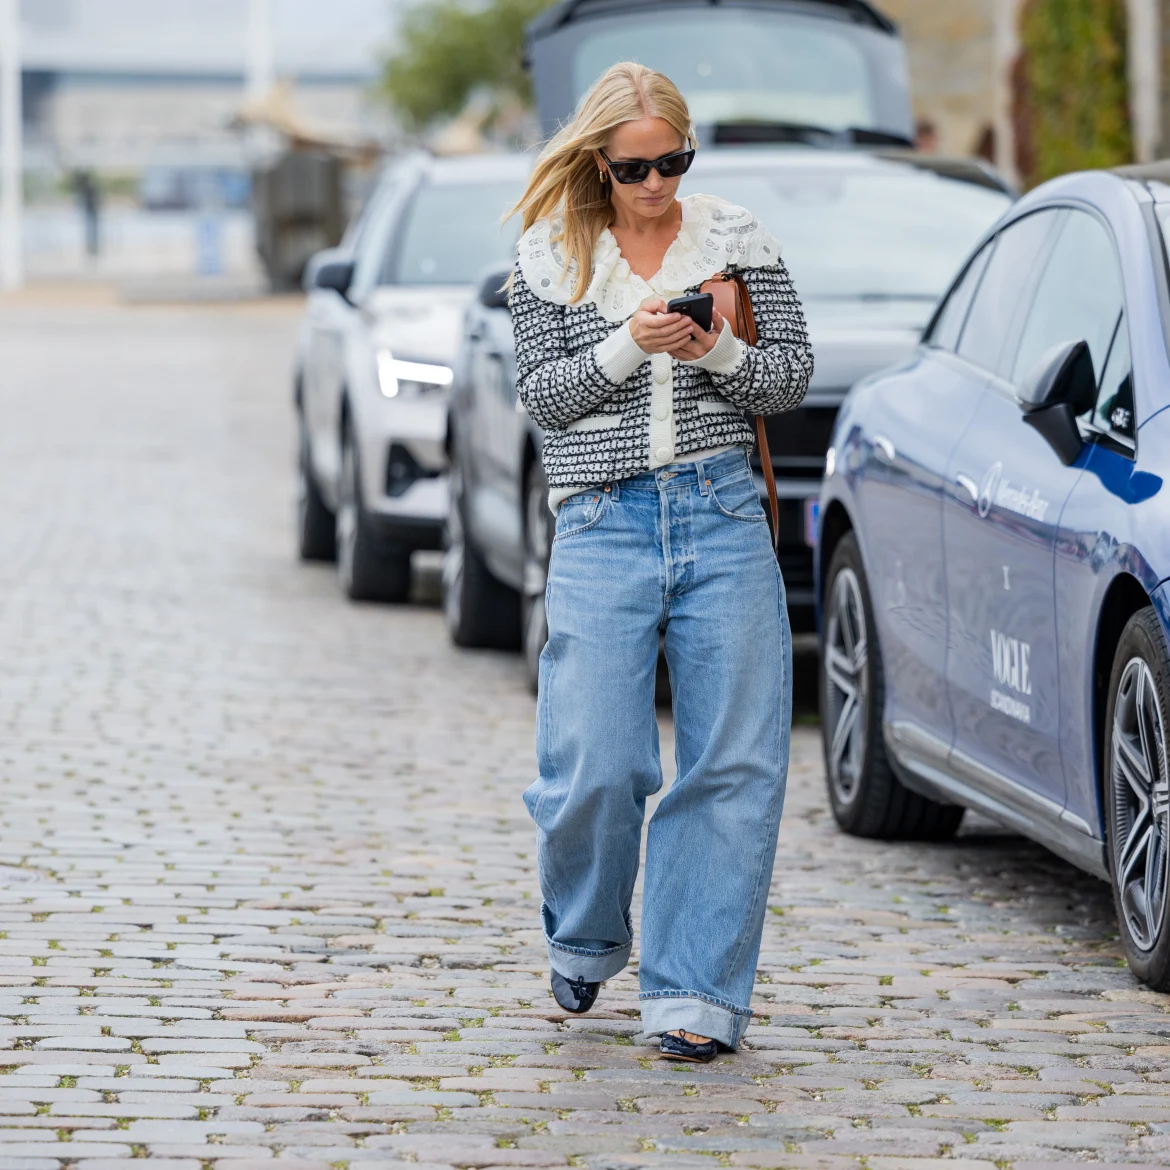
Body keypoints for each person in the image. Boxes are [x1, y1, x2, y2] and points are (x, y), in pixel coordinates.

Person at [507, 63, 813, 1063]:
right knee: (594, 761)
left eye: (673, 162)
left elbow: (788, 379)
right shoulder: (551, 254)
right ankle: (589, 934)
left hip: (722, 514)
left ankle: (694, 997)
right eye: (635, 167)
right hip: (602, 527)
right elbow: (545, 400)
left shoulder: (735, 239)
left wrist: (714, 350)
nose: (655, 184)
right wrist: (629, 345)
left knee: (733, 763)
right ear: (599, 158)